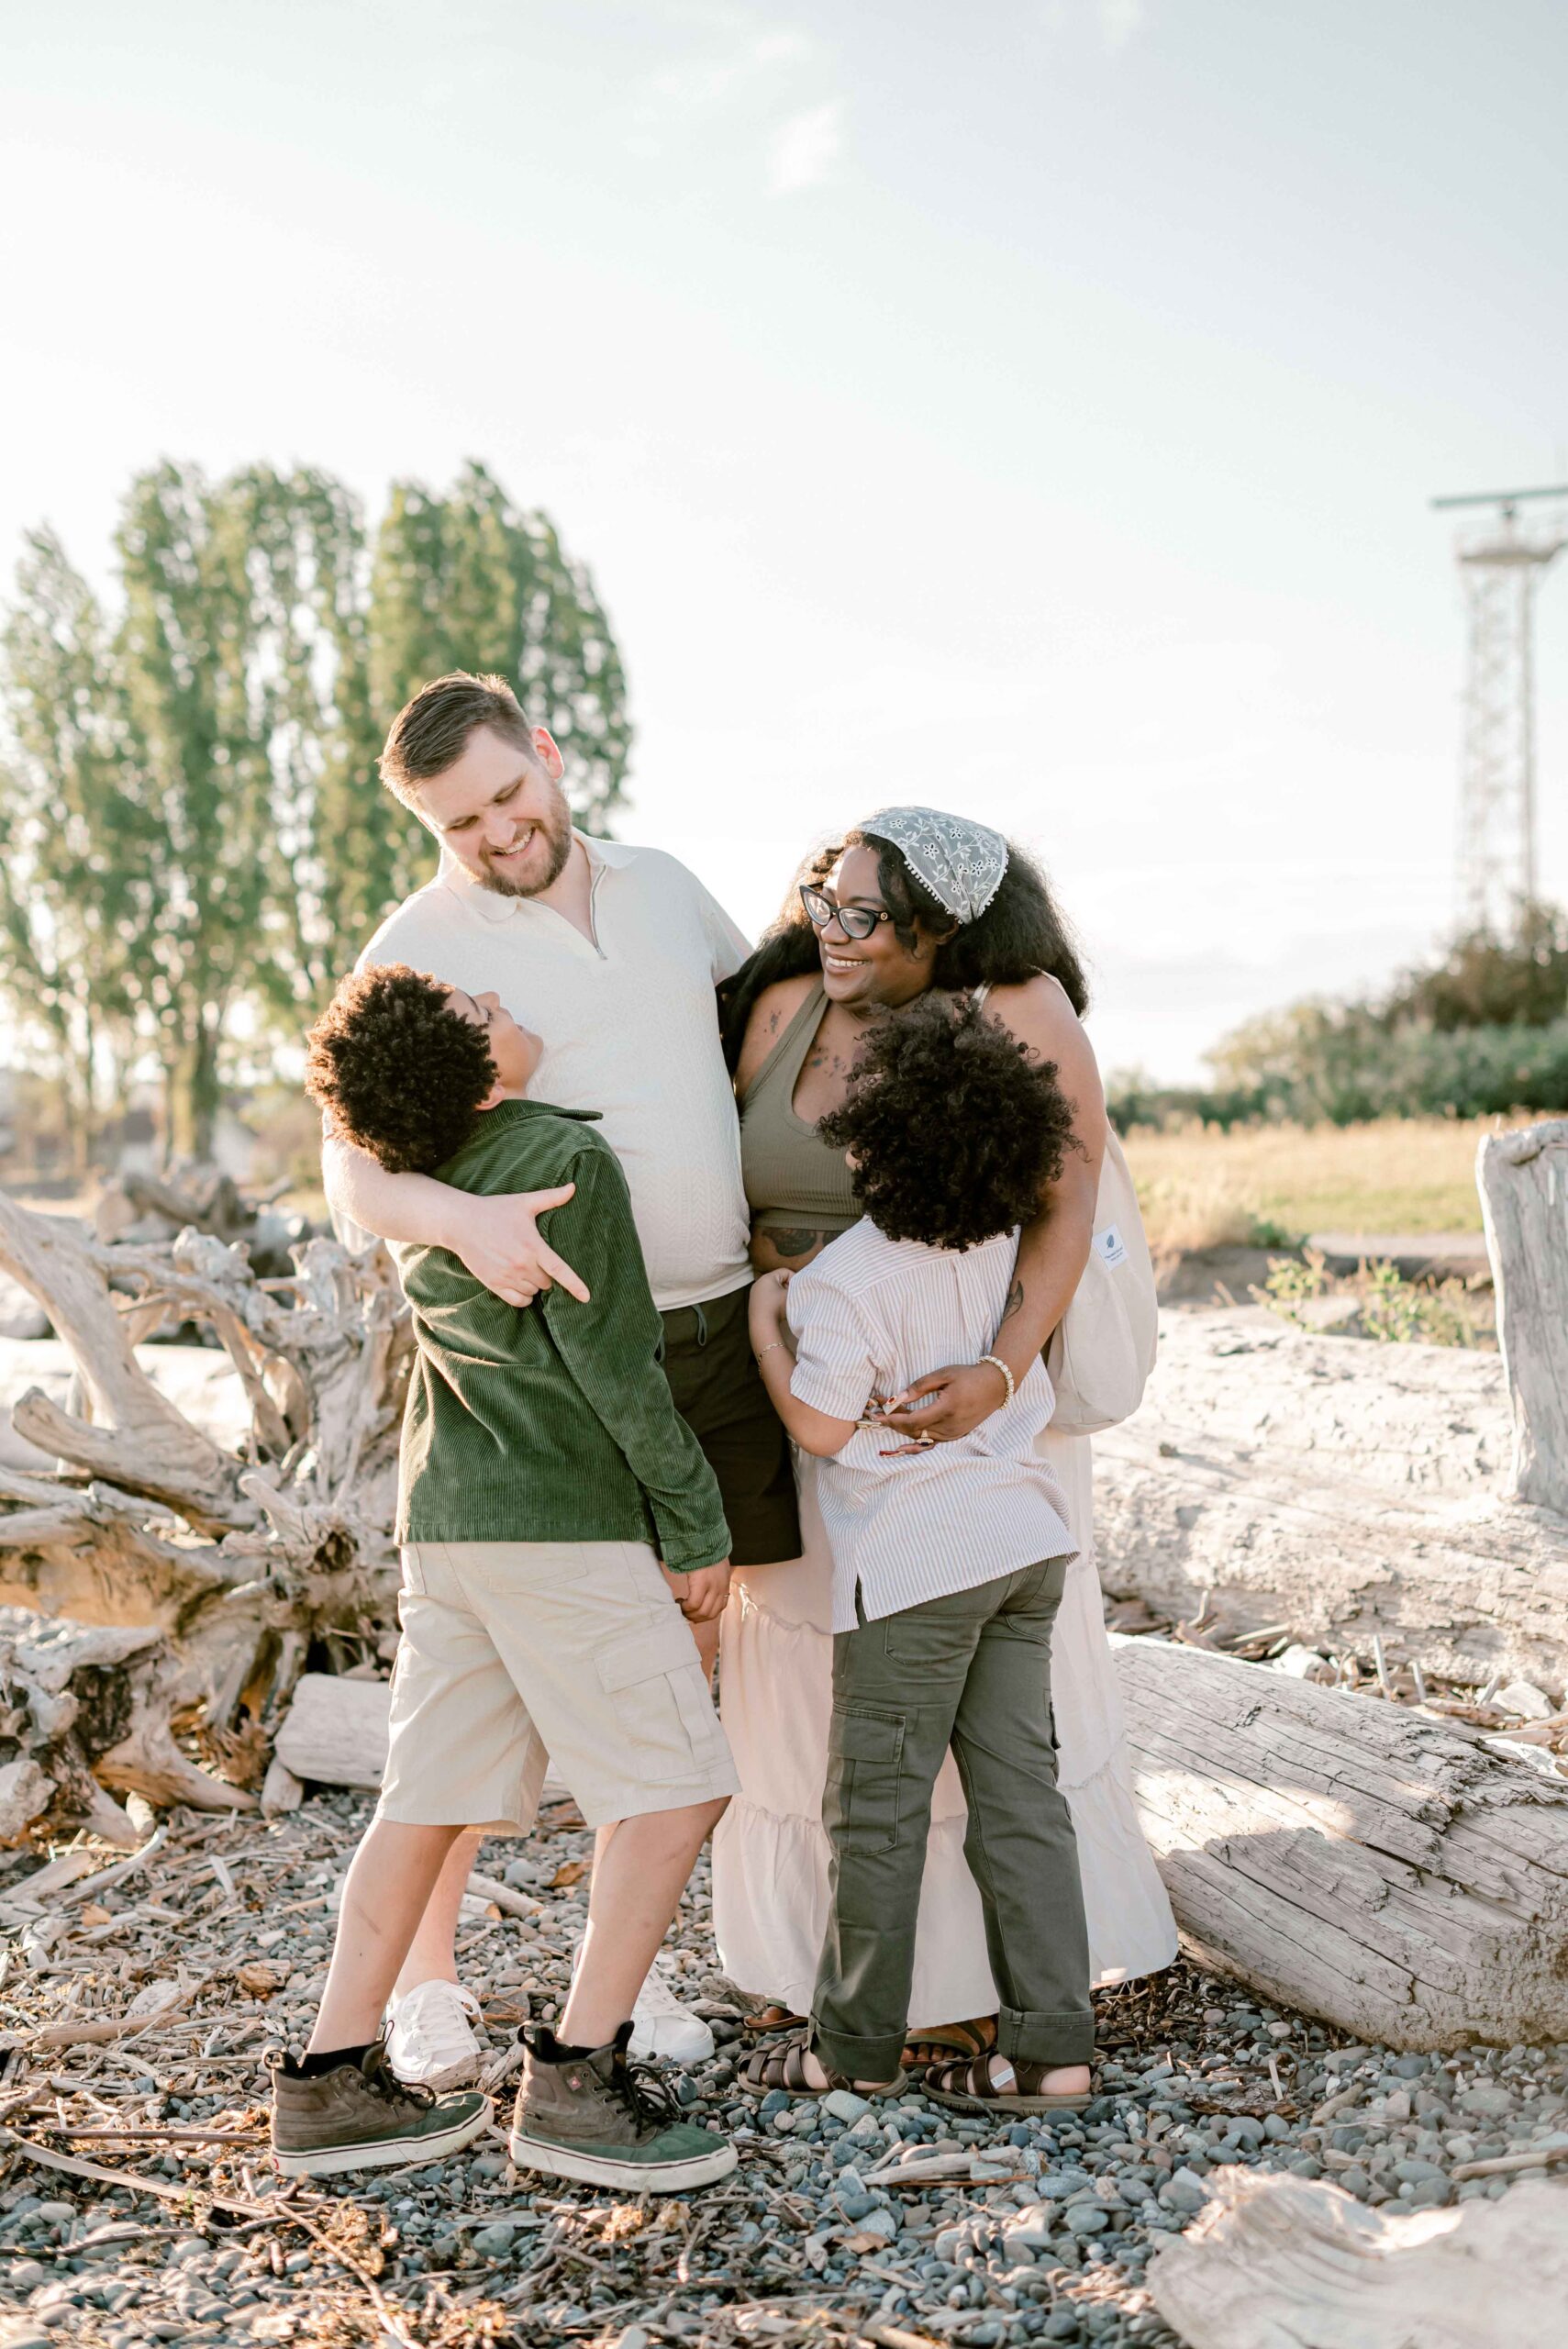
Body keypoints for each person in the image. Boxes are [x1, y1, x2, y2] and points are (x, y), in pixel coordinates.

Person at [321, 671, 798, 2087]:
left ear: (548, 752)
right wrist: (461, 1220)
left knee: (676, 1667)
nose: (493, 836)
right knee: (474, 1703)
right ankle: (428, 1988)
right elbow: (352, 1161)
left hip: (707, 1329)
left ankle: (624, 1992)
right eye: (457, 823)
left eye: (507, 800)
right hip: (538, 1365)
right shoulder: (419, 942)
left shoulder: (663, 889)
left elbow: (754, 1046)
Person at [712, 807, 1176, 2065]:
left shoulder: (1017, 1006)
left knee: (955, 1744)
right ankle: (820, 1969)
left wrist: (993, 1369)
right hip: (820, 1402)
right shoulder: (779, 1008)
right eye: (822, 895)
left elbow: (1066, 1210)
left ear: (945, 931)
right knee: (817, 1710)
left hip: (960, 1420)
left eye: (864, 915)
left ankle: (949, 2000)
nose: (829, 928)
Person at [270, 960, 738, 2191]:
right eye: (485, 1013)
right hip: (560, 1527)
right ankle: (581, 2077)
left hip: (448, 1530)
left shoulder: (420, 1187)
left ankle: (328, 2086)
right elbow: (619, 1369)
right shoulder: (550, 1154)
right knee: (677, 1789)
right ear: (472, 1072)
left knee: (421, 1803)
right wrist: (695, 1522)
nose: (506, 1008)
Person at [741, 993, 1095, 2110]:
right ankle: (1052, 2049)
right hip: (1023, 1545)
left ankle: (849, 2050)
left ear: (865, 1145)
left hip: (916, 1563)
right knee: (1021, 1799)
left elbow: (823, 1427)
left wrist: (764, 1328)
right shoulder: (999, 1240)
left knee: (876, 1813)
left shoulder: (844, 1281)